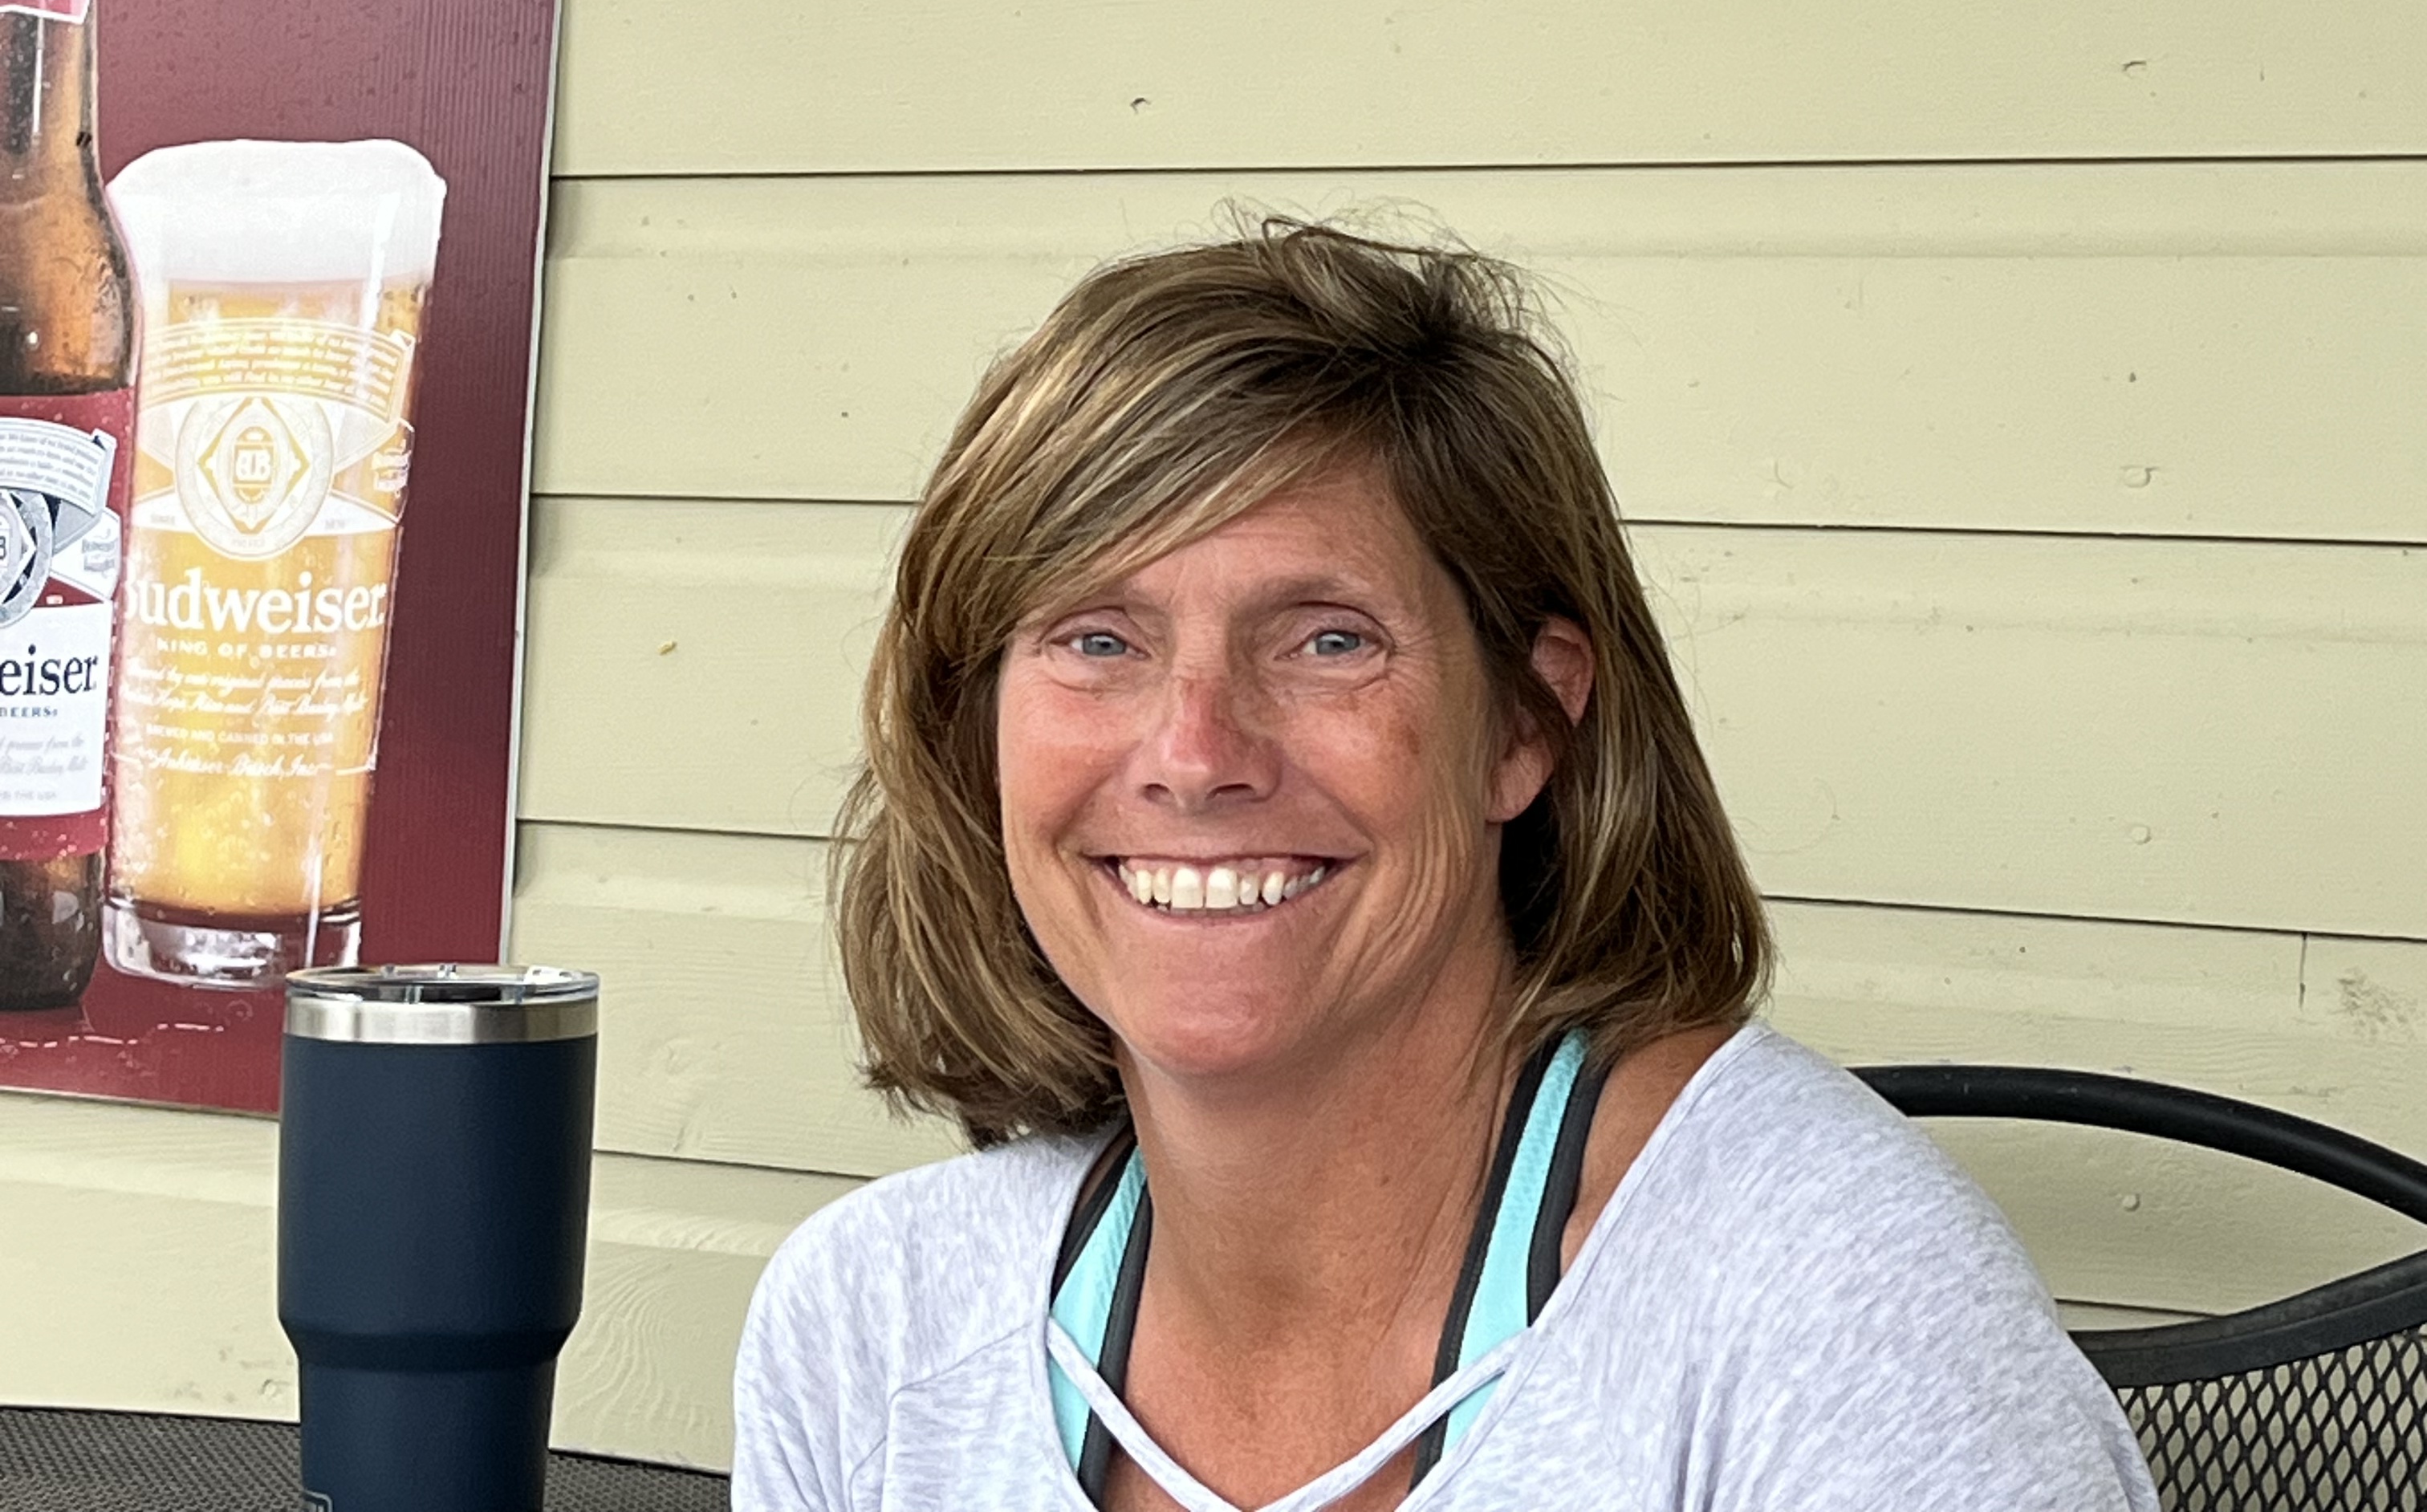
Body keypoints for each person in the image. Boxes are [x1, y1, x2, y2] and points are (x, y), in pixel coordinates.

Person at [733, 221, 2157, 1512]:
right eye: (1098, 639)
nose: (1195, 753)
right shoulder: (873, 1330)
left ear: (1524, 725)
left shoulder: (1826, 1303)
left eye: (1328, 639)